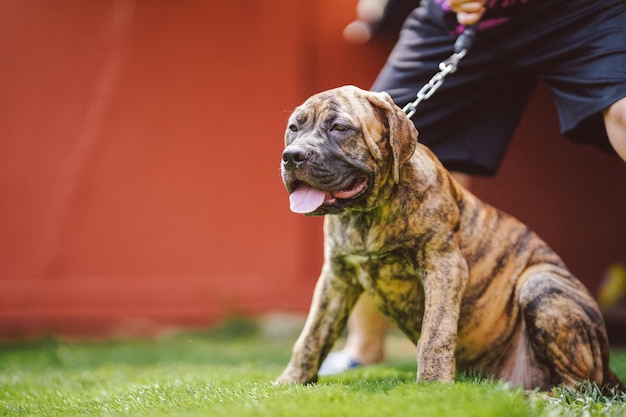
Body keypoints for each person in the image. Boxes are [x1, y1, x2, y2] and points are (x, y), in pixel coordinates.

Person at [319, 0, 626, 376]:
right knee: (377, 151)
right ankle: (363, 347)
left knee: (623, 113)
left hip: (579, 10)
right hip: (456, 19)